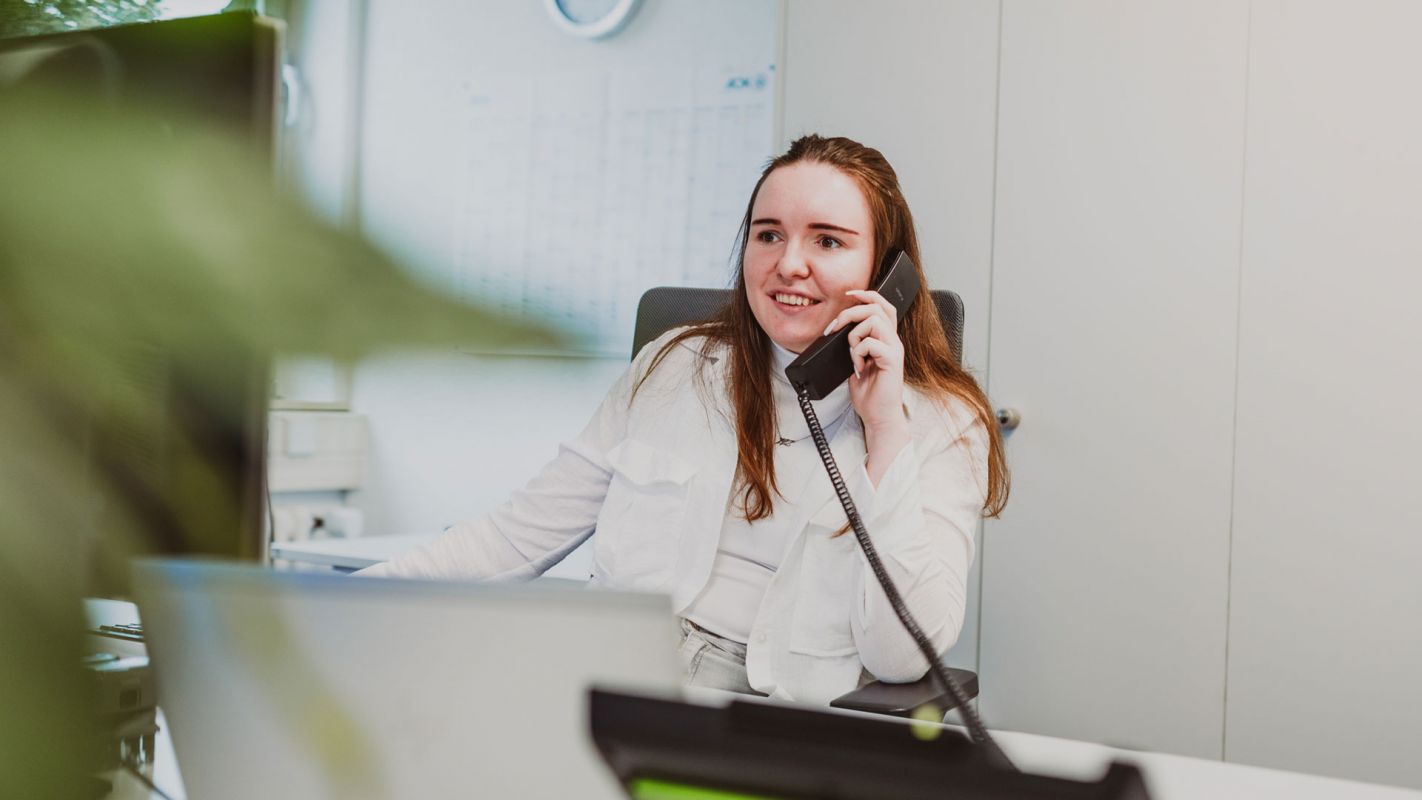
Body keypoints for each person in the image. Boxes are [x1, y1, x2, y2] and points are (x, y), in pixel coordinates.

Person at [359, 135, 1009, 705]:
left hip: (779, 719)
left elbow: (902, 654)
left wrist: (884, 432)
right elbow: (515, 538)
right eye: (769, 234)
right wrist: (326, 604)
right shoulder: (673, 369)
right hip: (614, 687)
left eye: (829, 240)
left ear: (888, 273)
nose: (788, 263)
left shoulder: (943, 422)